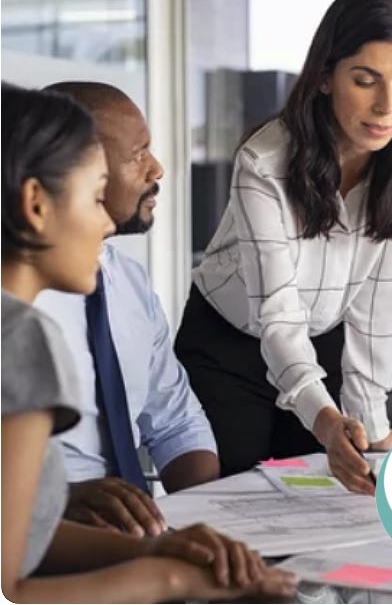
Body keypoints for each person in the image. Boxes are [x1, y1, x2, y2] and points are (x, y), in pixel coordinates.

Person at [1, 82, 297, 603]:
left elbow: (24, 535)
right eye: (95, 196)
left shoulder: (125, 283)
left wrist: (168, 546)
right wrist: (171, 575)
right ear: (35, 204)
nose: (157, 169)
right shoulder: (22, 336)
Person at [174, 0, 392, 492]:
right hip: (230, 346)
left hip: (326, 342)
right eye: (366, 81)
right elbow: (277, 315)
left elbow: (388, 291)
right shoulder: (264, 162)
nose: (387, 107)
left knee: (324, 506)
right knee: (237, 506)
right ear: (325, 75)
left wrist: (368, 420)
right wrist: (324, 420)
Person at [35, 81, 219, 538]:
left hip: (139, 535)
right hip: (43, 534)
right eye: (138, 153)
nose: (157, 168)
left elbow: (176, 420)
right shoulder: (18, 300)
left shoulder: (128, 281)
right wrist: (57, 500)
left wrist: (207, 520)